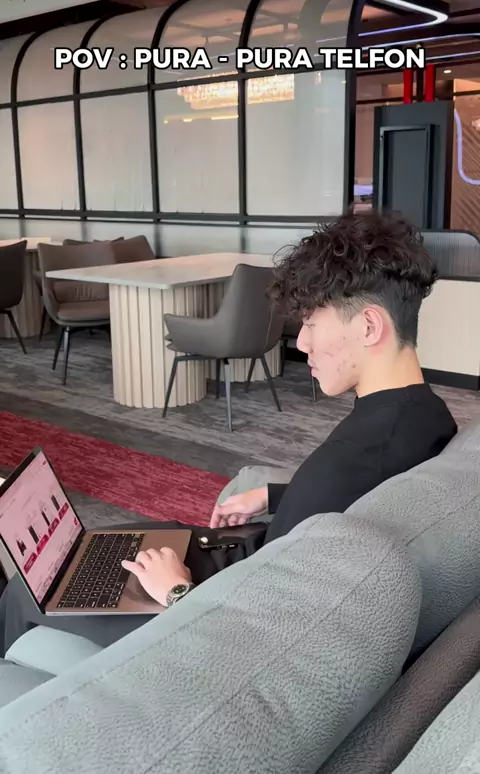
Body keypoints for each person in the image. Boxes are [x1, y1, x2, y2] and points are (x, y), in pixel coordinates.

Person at [0, 211, 457, 653]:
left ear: (369, 326)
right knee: (93, 554)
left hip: (210, 601)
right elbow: (354, 497)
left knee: (27, 592)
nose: (301, 342)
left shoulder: (353, 455)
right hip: (234, 559)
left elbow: (256, 631)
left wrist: (175, 590)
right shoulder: (426, 414)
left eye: (312, 323)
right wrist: (274, 495)